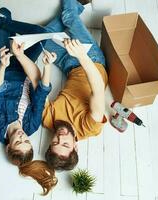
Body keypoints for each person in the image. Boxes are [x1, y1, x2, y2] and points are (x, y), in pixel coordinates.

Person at [0, 8, 57, 194]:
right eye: (27, 141)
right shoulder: (31, 127)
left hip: (5, 67)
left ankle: (3, 24)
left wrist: (3, 65)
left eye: (18, 141)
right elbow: (40, 95)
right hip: (26, 69)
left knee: (4, 12)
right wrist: (47, 67)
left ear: (9, 145)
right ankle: (3, 26)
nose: (23, 135)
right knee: (43, 34)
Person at [42, 0, 108, 170]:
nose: (60, 137)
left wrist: (46, 66)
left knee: (40, 36)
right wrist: (81, 56)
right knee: (68, 17)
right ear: (75, 147)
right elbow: (98, 89)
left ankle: (76, 6)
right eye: (65, 144)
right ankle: (75, 7)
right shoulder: (89, 127)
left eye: (55, 142)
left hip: (66, 65)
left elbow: (39, 89)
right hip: (91, 60)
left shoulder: (49, 121)